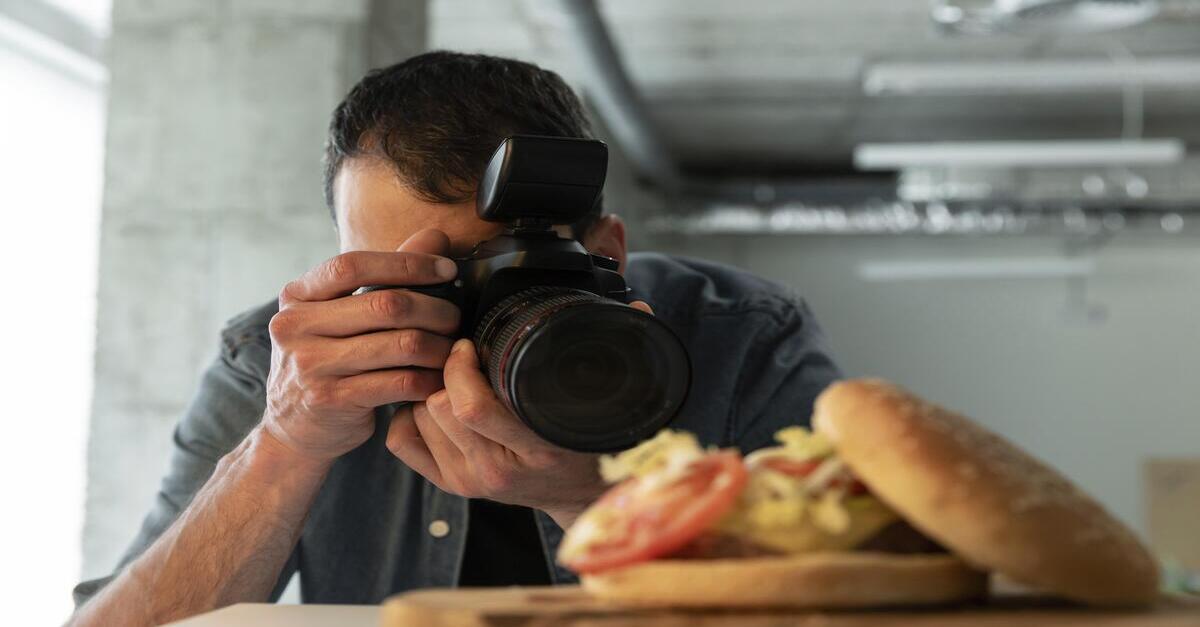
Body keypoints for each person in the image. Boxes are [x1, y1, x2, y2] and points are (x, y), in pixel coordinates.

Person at [68, 51, 841, 625]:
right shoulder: (282, 357)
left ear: (606, 255)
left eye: (498, 273)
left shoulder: (735, 334)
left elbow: (854, 603)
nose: (461, 319)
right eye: (409, 280)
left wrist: (593, 502)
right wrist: (286, 441)